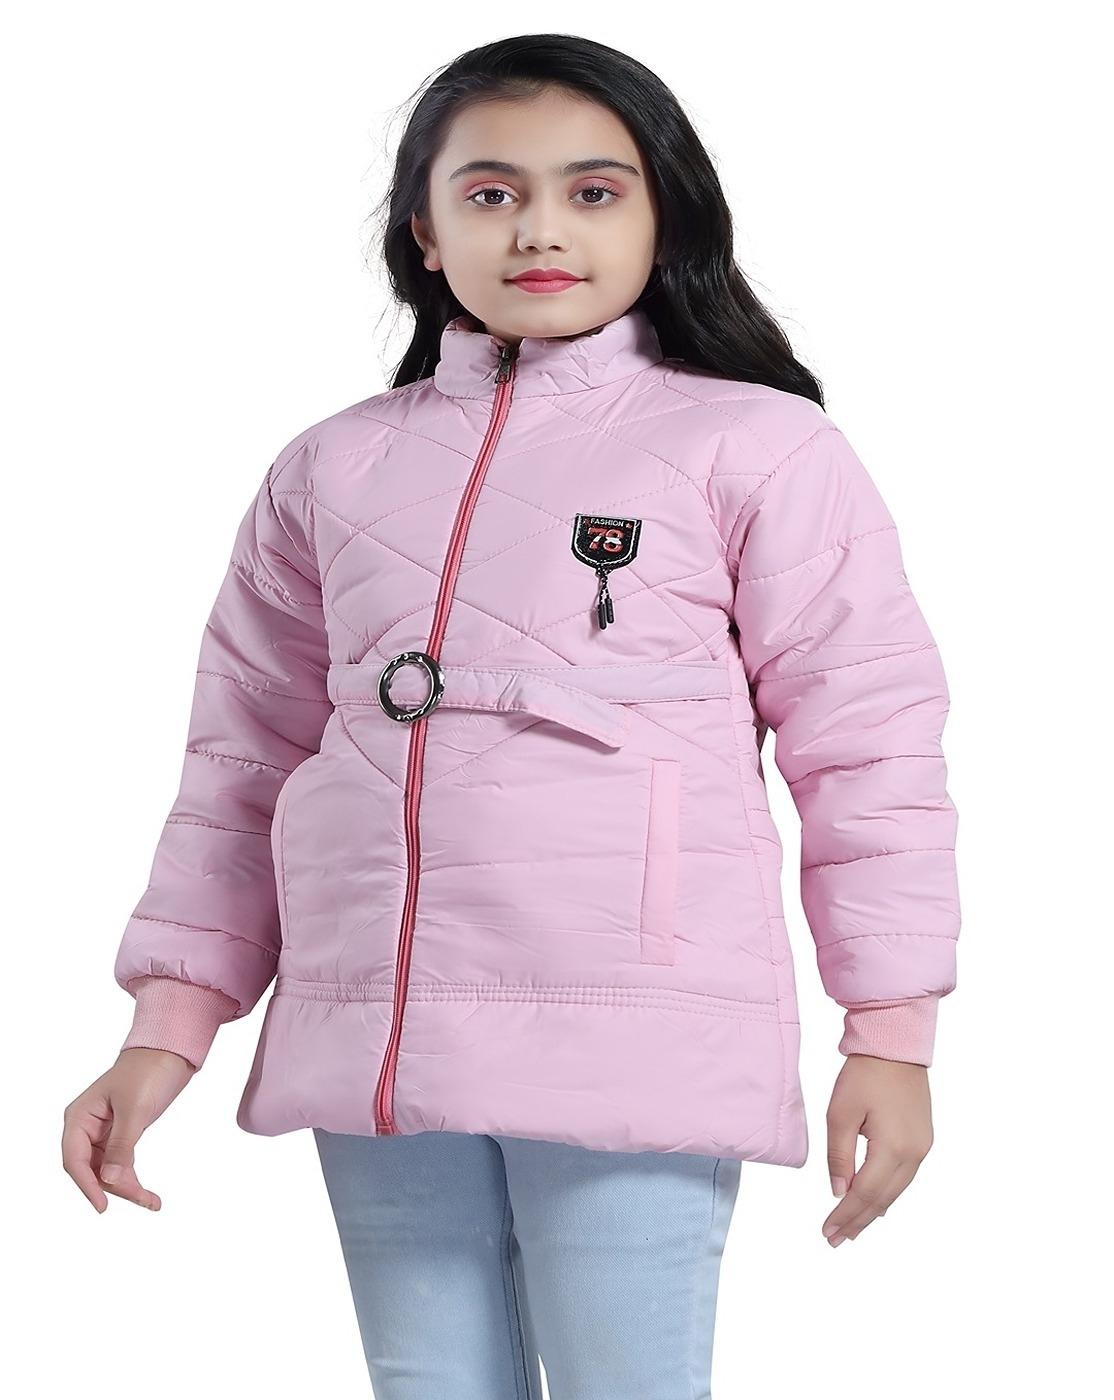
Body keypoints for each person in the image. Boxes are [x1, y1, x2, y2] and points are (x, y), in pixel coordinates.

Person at [62, 33, 961, 1399]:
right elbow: (243, 762)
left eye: (593, 191)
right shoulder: (331, 468)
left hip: (634, 1023)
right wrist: (166, 1026)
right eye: (490, 193)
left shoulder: (759, 448)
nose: (540, 228)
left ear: (665, 217)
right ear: (424, 233)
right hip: (374, 1032)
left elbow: (869, 746)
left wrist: (889, 1033)